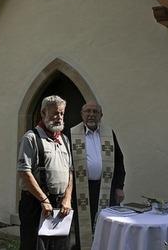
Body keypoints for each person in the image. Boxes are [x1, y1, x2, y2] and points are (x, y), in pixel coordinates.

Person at [17, 95, 74, 250]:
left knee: (60, 247)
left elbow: (70, 171)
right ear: (43, 113)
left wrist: (67, 198)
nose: (59, 117)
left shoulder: (65, 140)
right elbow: (24, 172)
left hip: (61, 205)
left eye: (62, 113)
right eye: (55, 113)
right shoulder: (31, 138)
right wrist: (43, 200)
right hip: (36, 204)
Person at [70, 102, 125, 249]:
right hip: (82, 189)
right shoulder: (72, 134)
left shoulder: (109, 133)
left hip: (106, 188)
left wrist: (119, 187)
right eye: (87, 111)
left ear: (101, 115)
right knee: (83, 227)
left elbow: (119, 160)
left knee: (106, 225)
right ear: (82, 115)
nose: (91, 114)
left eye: (95, 112)